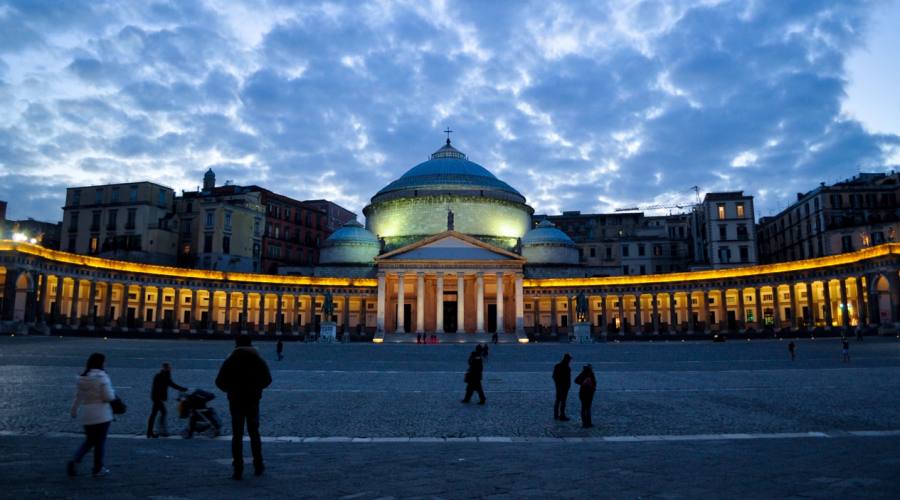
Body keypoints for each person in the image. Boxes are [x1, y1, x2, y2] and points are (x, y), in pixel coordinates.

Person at [216, 335, 273, 480]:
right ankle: (258, 465)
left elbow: (219, 381)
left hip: (236, 401)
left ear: (236, 344)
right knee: (254, 433)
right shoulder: (257, 359)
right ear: (250, 343)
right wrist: (257, 390)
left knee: (237, 435)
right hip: (253, 401)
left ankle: (238, 469)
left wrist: (230, 390)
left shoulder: (231, 359)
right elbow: (268, 379)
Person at [68, 353, 115, 478]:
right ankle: (98, 468)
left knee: (89, 441)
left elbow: (78, 397)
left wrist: (73, 411)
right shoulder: (102, 377)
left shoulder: (82, 378)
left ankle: (75, 460)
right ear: (101, 363)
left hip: (87, 414)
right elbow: (108, 397)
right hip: (102, 414)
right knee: (100, 443)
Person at [147, 362, 187, 438]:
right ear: (164, 368)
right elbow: (158, 388)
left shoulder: (166, 375)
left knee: (162, 413)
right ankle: (151, 432)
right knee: (154, 414)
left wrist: (182, 388)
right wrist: (159, 399)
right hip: (157, 398)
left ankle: (158, 430)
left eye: (170, 367)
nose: (170, 369)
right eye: (169, 367)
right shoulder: (159, 376)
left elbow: (171, 384)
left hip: (159, 398)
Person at [574, 364, 596, 428]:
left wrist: (581, 383)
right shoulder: (591, 375)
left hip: (582, 392)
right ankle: (589, 423)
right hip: (589, 393)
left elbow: (576, 380)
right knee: (588, 408)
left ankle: (584, 423)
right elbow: (594, 383)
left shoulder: (582, 374)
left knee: (583, 408)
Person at [552, 354, 572, 421]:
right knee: (563, 401)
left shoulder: (557, 366)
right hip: (564, 387)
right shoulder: (567, 368)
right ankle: (562, 415)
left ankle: (556, 415)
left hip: (558, 386)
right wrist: (567, 385)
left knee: (558, 400)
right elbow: (568, 378)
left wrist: (557, 383)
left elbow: (554, 376)